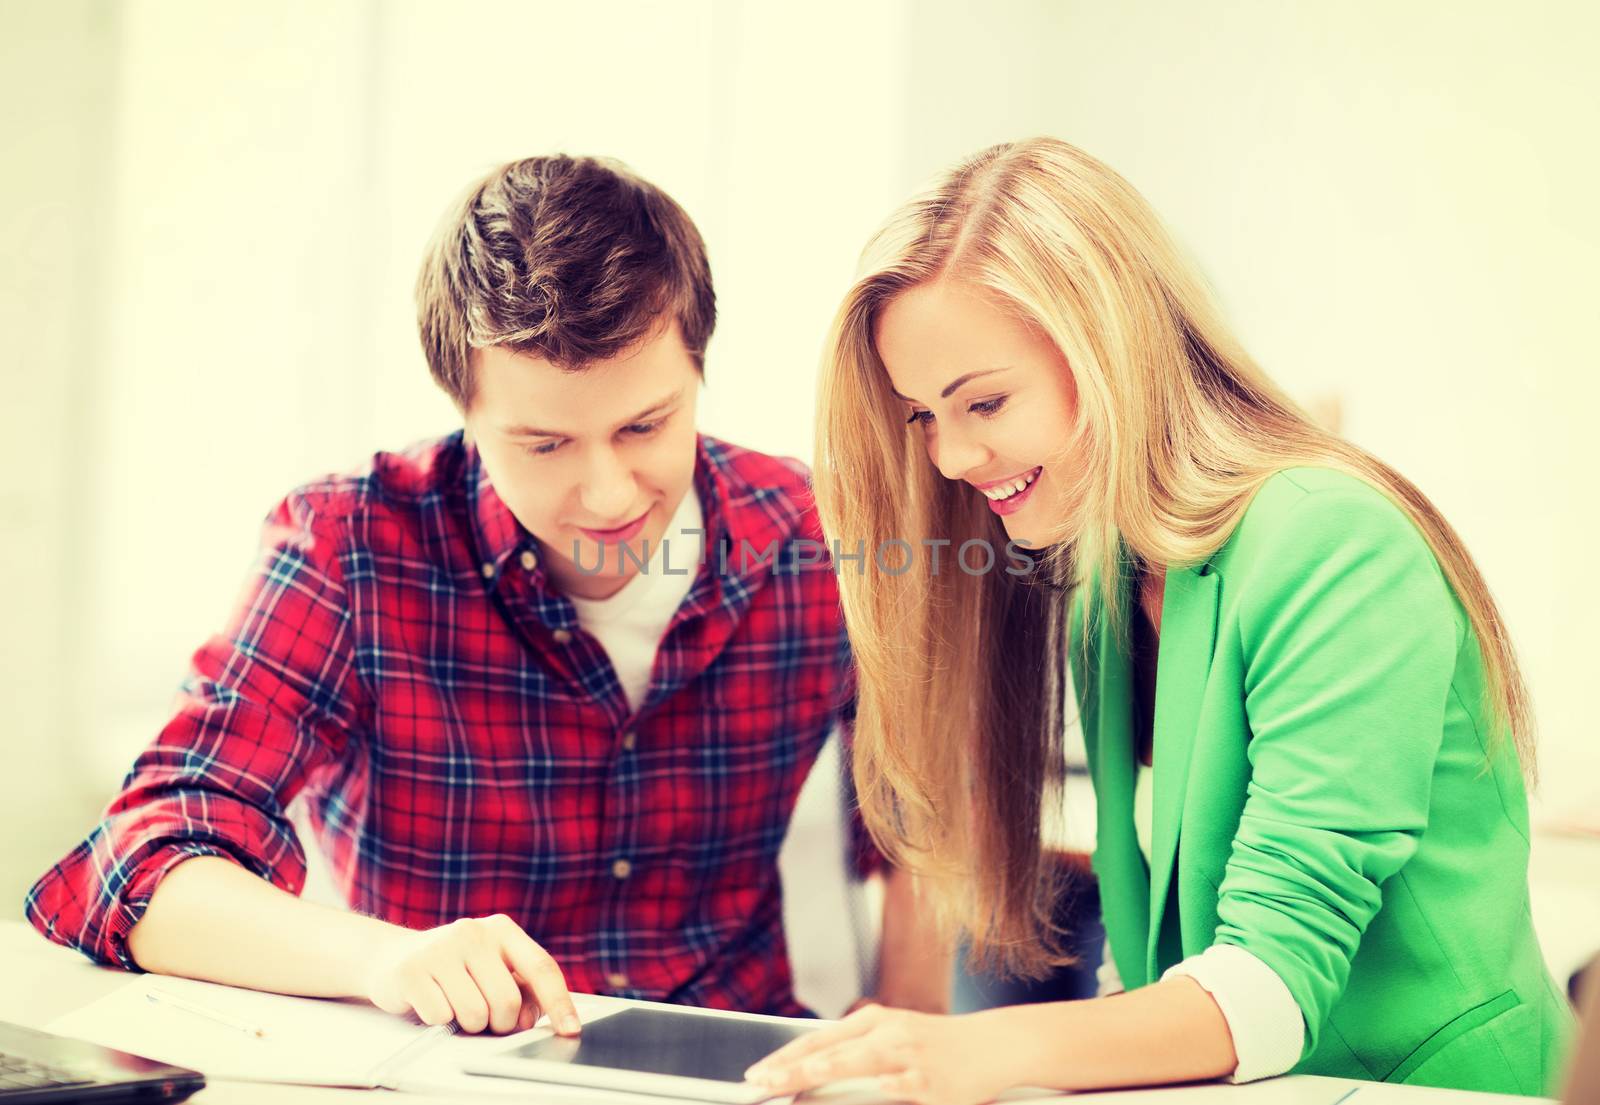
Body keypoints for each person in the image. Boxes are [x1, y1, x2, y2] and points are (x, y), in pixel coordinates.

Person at [26, 155, 948, 1036]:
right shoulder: (350, 548)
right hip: (450, 1063)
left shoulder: (819, 536)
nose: (610, 493)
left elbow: (930, 815)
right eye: (544, 445)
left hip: (732, 1060)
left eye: (646, 425)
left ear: (700, 368)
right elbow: (143, 862)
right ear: (460, 408)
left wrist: (913, 1020)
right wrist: (384, 959)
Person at [746, 137, 1571, 1100]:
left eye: (983, 402)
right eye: (924, 415)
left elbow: (1272, 977)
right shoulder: (1109, 574)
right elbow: (1165, 957)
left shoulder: (1332, 536)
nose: (950, 457)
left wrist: (960, 1050)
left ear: (1111, 347)